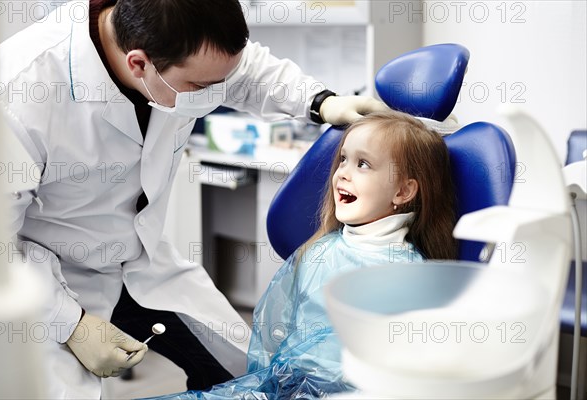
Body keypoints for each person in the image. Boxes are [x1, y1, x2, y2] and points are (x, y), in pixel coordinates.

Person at [0, 0, 389, 397]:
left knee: (247, 373)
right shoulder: (17, 91)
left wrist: (322, 101)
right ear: (138, 64)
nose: (215, 93)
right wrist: (71, 323)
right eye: (199, 88)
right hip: (48, 279)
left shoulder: (184, 41)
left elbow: (247, 71)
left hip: (142, 259)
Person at [153, 110, 458, 399]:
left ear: (403, 192)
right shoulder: (317, 252)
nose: (343, 174)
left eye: (363, 164)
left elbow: (403, 375)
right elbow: (272, 337)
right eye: (343, 160)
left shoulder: (409, 277)